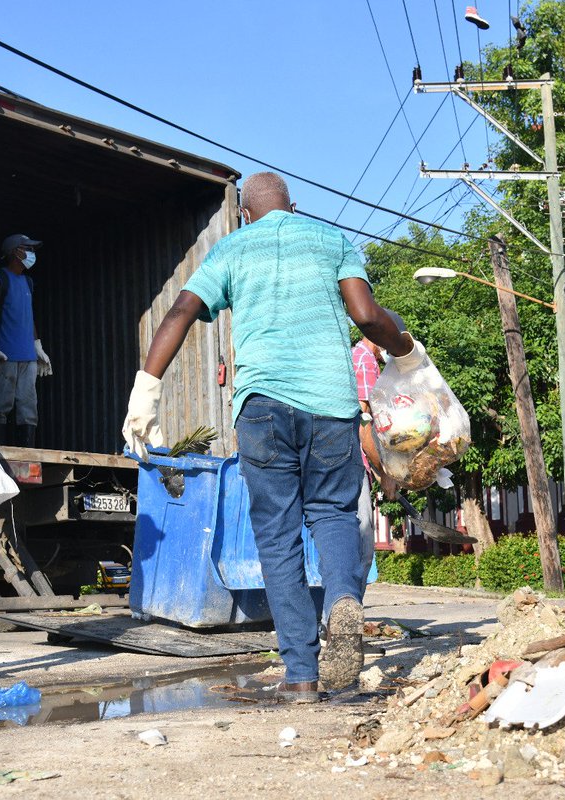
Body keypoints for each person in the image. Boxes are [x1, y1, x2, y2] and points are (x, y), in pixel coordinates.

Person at [122, 172, 417, 702]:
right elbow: (366, 314)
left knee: (277, 537)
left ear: (244, 213)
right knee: (331, 514)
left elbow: (181, 310)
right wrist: (406, 350)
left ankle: (301, 675)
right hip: (331, 405)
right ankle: (343, 602)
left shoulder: (233, 248)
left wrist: (147, 387)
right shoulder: (331, 240)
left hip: (263, 409)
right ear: (295, 207)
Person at [352, 311, 404, 587]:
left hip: (356, 463)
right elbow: (363, 424)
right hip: (351, 465)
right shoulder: (365, 361)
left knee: (358, 545)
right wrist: (386, 472)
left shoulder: (365, 360)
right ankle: (345, 619)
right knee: (361, 544)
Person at [0, 233, 52, 447]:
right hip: (7, 353)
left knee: (28, 405)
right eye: (28, 248)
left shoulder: (27, 281)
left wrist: (37, 345)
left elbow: (28, 314)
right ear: (15, 252)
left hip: (27, 354)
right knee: (2, 403)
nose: (31, 253)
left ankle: (27, 449)